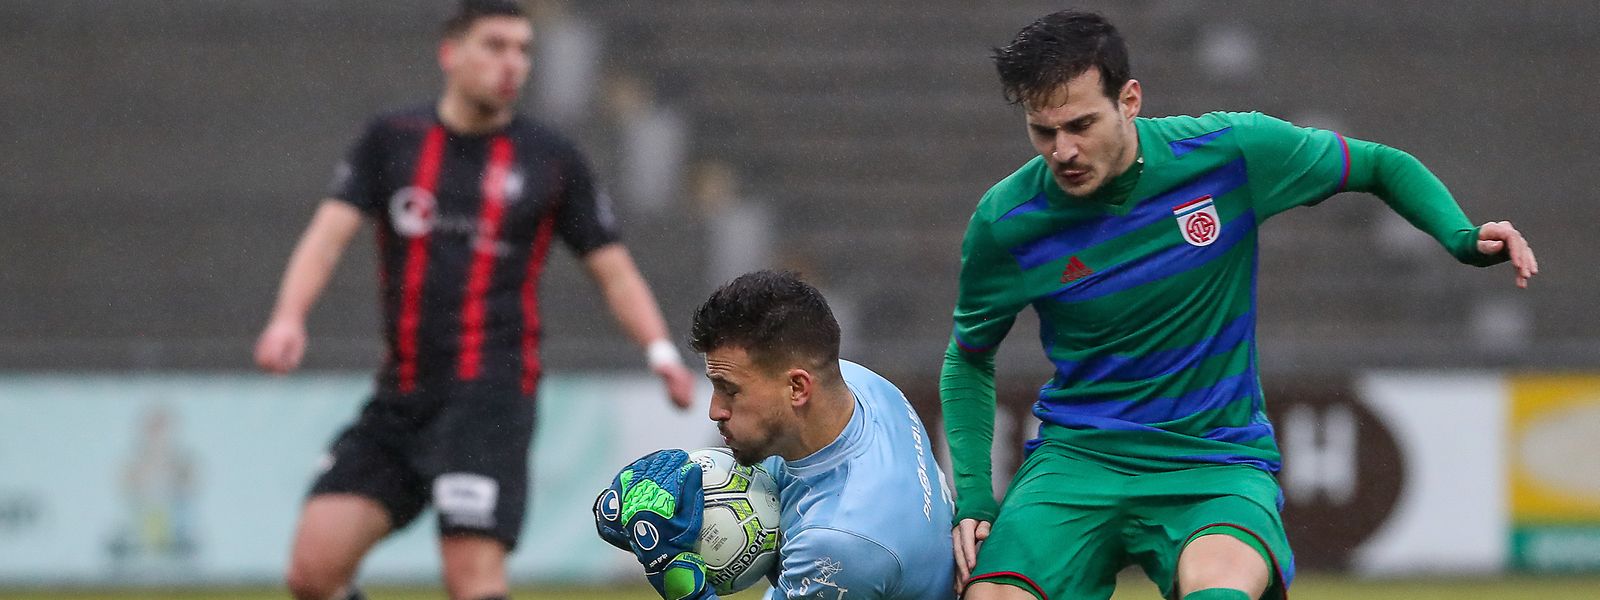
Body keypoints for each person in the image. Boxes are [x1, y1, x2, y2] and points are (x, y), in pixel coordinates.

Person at [942, 10, 1538, 600]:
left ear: (1129, 100)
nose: (1063, 150)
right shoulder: (1007, 221)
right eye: (1043, 132)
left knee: (1222, 591)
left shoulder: (1227, 153)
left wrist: (1461, 238)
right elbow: (969, 357)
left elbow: (1379, 164)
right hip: (1080, 457)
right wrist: (973, 497)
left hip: (1213, 457)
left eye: (1080, 124)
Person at [252, 2, 695, 599]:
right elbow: (327, 237)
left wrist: (660, 351)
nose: (512, 63)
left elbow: (613, 272)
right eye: (494, 45)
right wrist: (288, 318)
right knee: (313, 571)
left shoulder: (551, 158)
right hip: (401, 397)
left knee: (472, 578)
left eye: (523, 49)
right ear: (450, 53)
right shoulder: (392, 140)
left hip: (490, 397)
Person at [593, 270, 956, 600]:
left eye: (729, 390)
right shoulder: (864, 386)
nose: (715, 410)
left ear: (798, 388)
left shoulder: (839, 542)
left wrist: (677, 577)